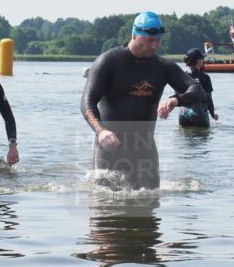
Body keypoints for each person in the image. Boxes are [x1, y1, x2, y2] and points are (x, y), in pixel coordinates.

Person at [81, 11, 204, 189]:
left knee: (149, 206)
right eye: (150, 40)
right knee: (105, 209)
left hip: (145, 152)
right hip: (109, 149)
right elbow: (87, 102)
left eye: (158, 40)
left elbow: (198, 91)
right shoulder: (109, 61)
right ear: (134, 35)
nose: (155, 46)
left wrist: (176, 100)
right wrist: (100, 131)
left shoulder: (163, 66)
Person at [179, 47, 218, 128]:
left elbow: (177, 96)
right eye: (202, 58)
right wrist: (213, 114)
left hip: (183, 113)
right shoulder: (205, 77)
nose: (203, 61)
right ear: (198, 61)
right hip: (199, 113)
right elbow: (209, 99)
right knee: (203, 137)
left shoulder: (181, 76)